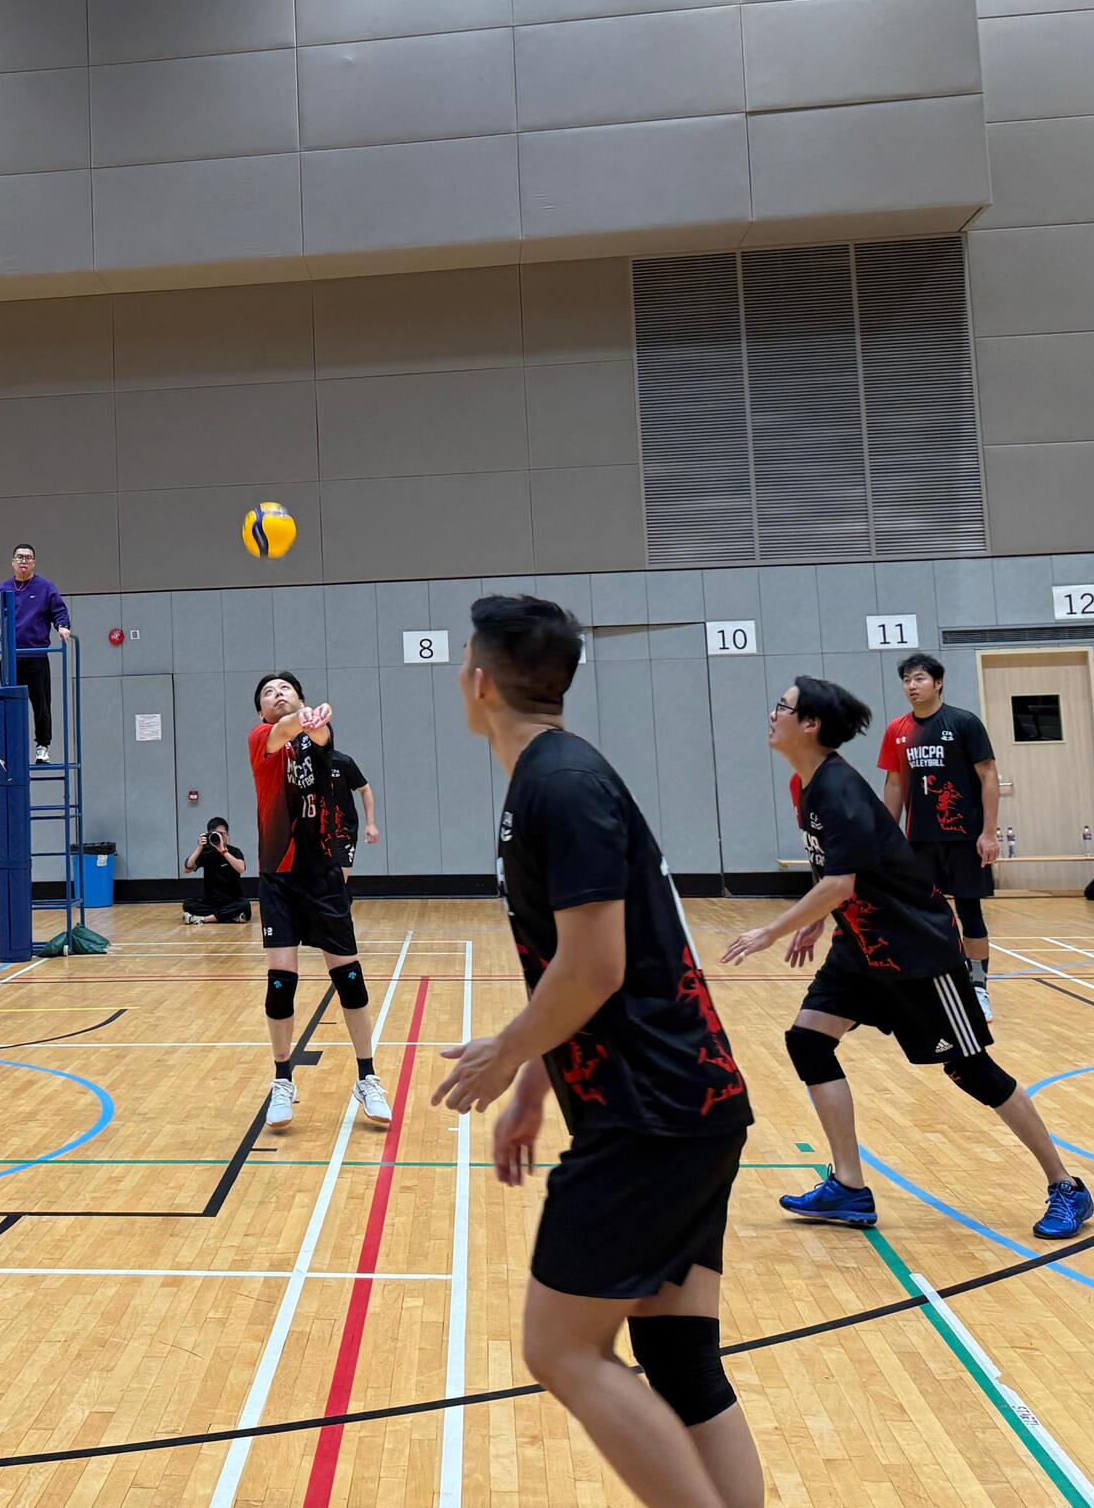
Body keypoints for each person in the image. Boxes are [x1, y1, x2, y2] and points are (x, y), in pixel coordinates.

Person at [432, 595, 760, 1508]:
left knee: (561, 1348)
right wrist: (537, 1085)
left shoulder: (561, 785)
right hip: (683, 1105)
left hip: (649, 1115)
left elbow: (595, 966)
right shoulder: (555, 776)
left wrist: (507, 1051)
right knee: (679, 1357)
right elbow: (582, 969)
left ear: (479, 681)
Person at [721, 677, 1092, 1240]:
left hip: (916, 951)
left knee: (972, 1070)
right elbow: (839, 869)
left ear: (811, 724)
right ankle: (848, 1187)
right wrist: (818, 917)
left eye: (783, 707)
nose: (773, 714)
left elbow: (841, 882)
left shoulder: (839, 789)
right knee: (808, 1041)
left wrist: (772, 930)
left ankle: (1067, 1186)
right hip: (861, 948)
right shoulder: (806, 784)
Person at [249, 671, 389, 1130]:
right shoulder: (262, 740)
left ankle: (367, 1077)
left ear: (300, 697)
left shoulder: (319, 743)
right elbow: (286, 731)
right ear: (261, 711)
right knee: (281, 981)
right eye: (268, 693)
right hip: (279, 879)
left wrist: (318, 722)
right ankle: (282, 1081)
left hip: (324, 878)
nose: (277, 694)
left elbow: (323, 738)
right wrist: (304, 718)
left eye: (285, 689)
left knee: (349, 977)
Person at [876, 653, 1000, 1016]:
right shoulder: (897, 730)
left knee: (969, 911)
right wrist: (887, 839)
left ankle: (977, 988)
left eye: (919, 679)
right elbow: (894, 784)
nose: (911, 687)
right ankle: (931, 986)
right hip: (919, 840)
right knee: (922, 916)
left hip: (964, 839)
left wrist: (989, 832)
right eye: (906, 681)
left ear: (938, 683)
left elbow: (988, 776)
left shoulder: (964, 723)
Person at [0, 542, 71, 763]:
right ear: (13, 562)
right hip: (11, 657)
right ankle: (9, 749)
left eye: (28, 558)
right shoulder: (2, 589)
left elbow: (59, 611)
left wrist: (62, 626)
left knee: (41, 705)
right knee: (9, 704)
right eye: (20, 557)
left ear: (34, 563)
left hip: (37, 656)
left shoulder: (46, 588)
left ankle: (42, 746)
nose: (24, 561)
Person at [180, 817, 250, 925]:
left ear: (227, 835)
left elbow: (241, 868)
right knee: (188, 904)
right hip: (211, 901)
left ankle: (204, 919)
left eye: (222, 834)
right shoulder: (206, 852)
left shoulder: (234, 851)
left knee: (244, 905)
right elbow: (187, 868)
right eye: (216, 834)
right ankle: (230, 916)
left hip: (232, 900)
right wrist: (199, 848)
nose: (219, 837)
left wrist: (223, 851)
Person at [327, 743, 377, 879]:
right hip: (313, 832)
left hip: (342, 831)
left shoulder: (343, 762)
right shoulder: (302, 761)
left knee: (338, 880)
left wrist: (370, 823)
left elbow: (365, 788)